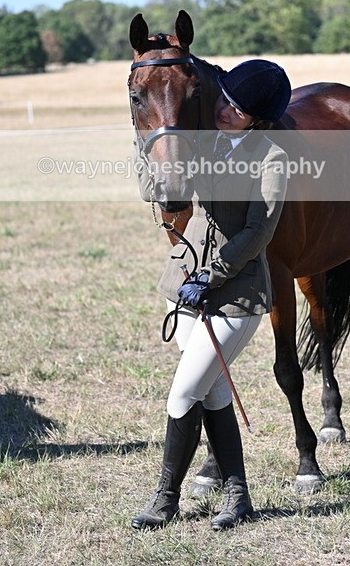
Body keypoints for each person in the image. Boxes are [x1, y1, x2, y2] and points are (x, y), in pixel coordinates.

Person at [131, 59, 291, 531]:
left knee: (184, 393)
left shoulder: (272, 158)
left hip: (234, 293)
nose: (226, 111)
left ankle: (166, 500)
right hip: (181, 284)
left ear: (257, 120)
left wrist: (212, 275)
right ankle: (238, 495)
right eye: (225, 99)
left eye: (238, 110)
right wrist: (147, 137)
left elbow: (258, 232)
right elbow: (151, 190)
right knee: (214, 391)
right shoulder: (201, 144)